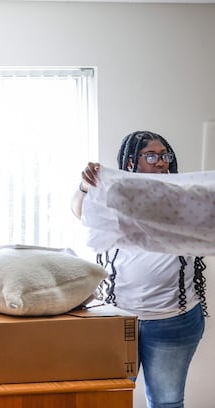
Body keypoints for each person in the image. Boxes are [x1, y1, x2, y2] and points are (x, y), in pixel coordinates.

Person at [71, 130, 207, 408]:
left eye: (164, 155)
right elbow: (79, 211)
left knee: (166, 402)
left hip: (173, 321)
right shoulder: (114, 195)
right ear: (131, 162)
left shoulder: (185, 197)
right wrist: (86, 186)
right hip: (119, 318)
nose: (160, 162)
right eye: (151, 156)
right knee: (111, 398)